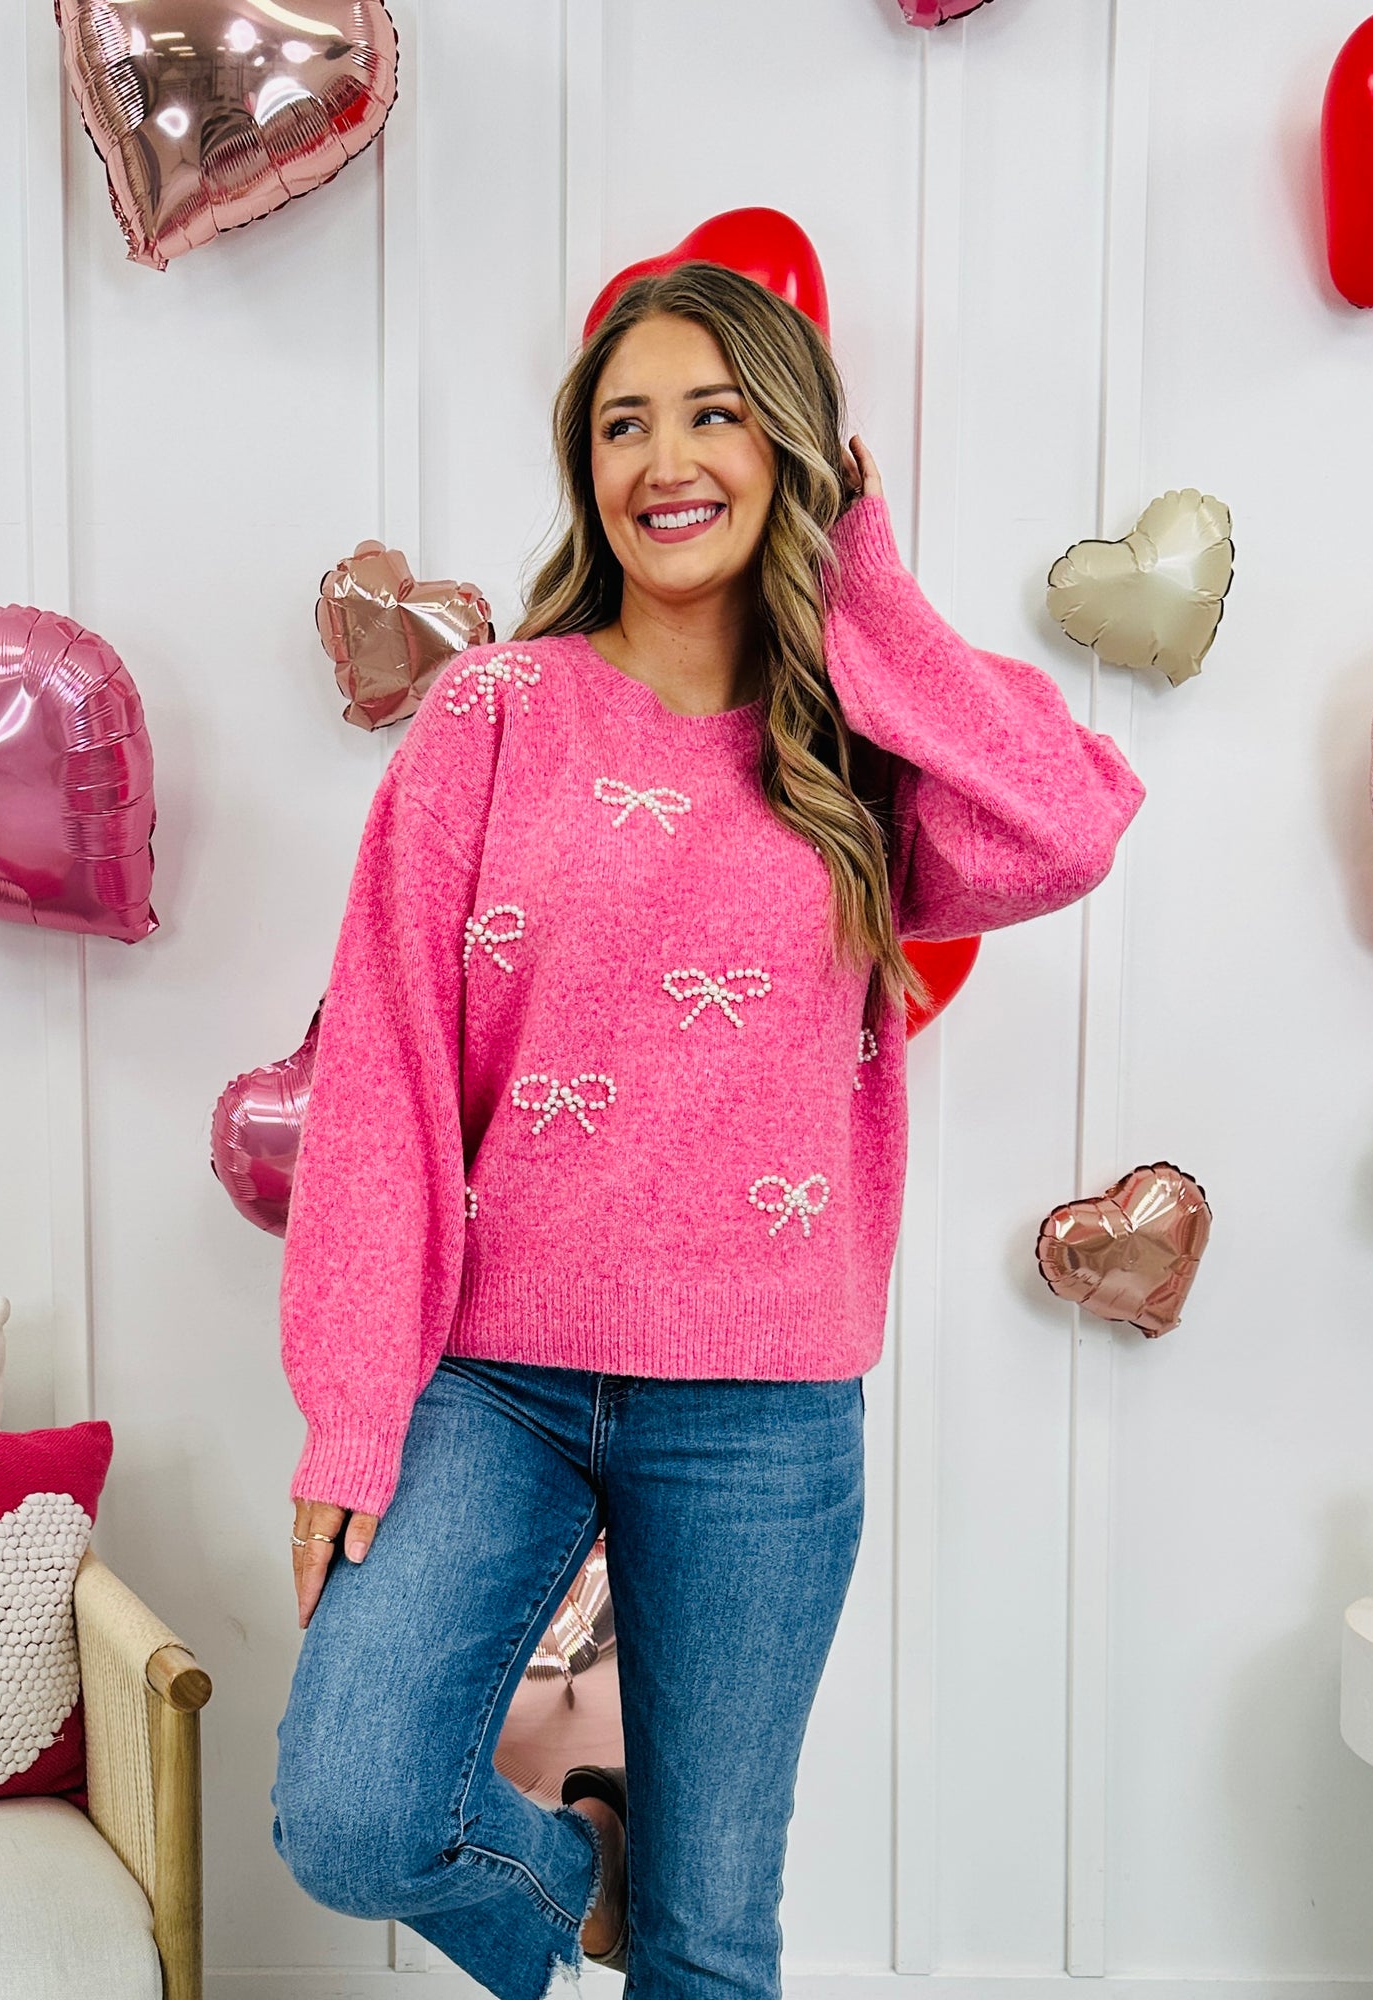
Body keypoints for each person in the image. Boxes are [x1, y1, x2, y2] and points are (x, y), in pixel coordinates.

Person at [268, 262, 1146, 2000]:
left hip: (763, 1405)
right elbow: (381, 1070)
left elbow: (1071, 823)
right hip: (497, 1378)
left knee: (714, 1940)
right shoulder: (493, 715)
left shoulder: (854, 757)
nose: (663, 461)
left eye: (715, 415)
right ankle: (582, 1875)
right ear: (585, 468)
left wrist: (862, 577)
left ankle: (655, 1906)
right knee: (353, 1811)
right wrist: (351, 1417)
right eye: (623, 425)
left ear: (791, 451)